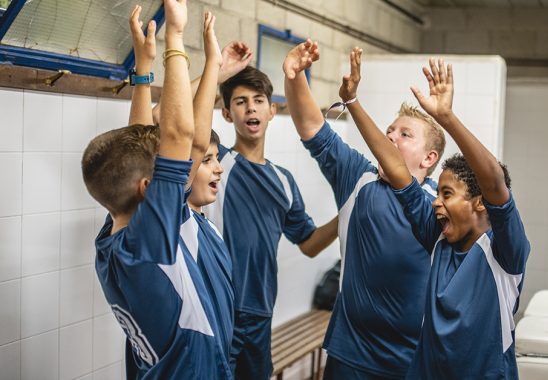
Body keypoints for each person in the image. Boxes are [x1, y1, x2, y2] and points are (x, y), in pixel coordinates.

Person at [347, 52, 531, 379]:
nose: (435, 202)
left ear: (479, 203)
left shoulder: (505, 253)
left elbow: (493, 181)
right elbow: (394, 165)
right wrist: (352, 101)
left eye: (446, 195)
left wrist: (446, 117)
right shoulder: (437, 236)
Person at [81, 2, 233, 378]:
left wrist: (143, 72)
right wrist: (175, 39)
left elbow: (134, 149)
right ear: (150, 190)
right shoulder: (150, 242)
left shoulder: (120, 231)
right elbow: (185, 138)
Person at [283, 41, 446, 379]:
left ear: (429, 158)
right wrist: (296, 77)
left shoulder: (439, 204)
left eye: (405, 134)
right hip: (351, 352)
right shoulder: (358, 178)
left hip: (413, 358)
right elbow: (312, 128)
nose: (390, 136)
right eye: (389, 130)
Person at [203, 63, 339, 379]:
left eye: (258, 100)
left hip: (260, 316)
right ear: (226, 114)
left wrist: (345, 215)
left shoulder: (284, 181)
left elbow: (308, 244)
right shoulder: (215, 164)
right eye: (240, 101)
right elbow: (184, 130)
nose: (251, 107)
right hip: (219, 311)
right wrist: (217, 70)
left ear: (271, 110)